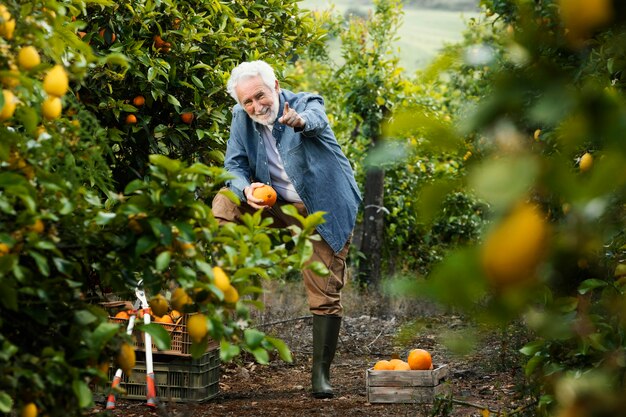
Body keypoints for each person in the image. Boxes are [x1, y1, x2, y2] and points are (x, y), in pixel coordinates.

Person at [211, 60, 362, 398]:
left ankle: (320, 374)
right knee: (225, 201)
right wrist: (245, 187)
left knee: (323, 287)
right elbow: (234, 164)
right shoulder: (242, 118)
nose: (255, 106)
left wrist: (300, 121)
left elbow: (315, 119)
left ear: (276, 86)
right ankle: (227, 277)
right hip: (272, 202)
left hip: (319, 206)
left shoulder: (306, 103)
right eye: (247, 101)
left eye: (260, 96)